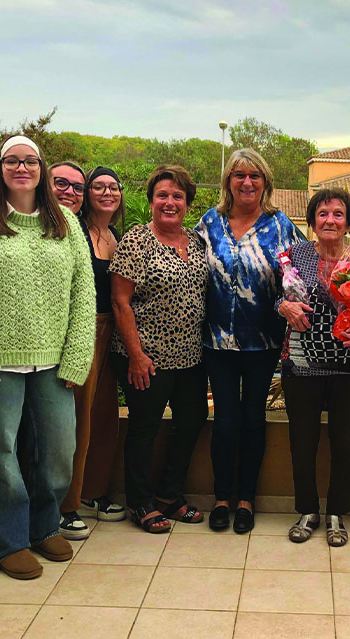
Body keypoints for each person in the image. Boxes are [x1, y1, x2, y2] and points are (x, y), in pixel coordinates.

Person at [0, 135, 95, 580]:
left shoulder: (65, 225)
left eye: (29, 160)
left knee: (58, 451)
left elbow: (83, 294)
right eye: (11, 160)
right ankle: (8, 541)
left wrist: (76, 357)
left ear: (40, 167)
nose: (21, 167)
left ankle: (43, 524)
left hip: (54, 363)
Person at [197, 149, 299, 533]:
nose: (247, 182)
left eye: (255, 175)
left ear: (265, 182)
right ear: (228, 181)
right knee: (224, 422)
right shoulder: (210, 223)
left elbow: (301, 273)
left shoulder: (280, 225)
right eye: (239, 175)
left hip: (263, 342)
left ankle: (246, 500)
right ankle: (221, 497)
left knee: (254, 420)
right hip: (217, 343)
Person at [109, 165, 208, 534]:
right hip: (145, 356)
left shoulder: (196, 242)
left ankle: (170, 495)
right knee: (144, 427)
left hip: (190, 356)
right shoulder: (137, 240)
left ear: (187, 203)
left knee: (191, 421)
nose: (170, 202)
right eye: (162, 195)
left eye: (177, 196)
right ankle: (141, 502)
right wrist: (136, 355)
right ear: (151, 201)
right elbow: (121, 302)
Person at [278, 188, 350, 547]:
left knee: (345, 441)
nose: (330, 220)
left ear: (348, 220)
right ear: (312, 220)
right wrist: (282, 307)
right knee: (301, 441)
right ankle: (307, 510)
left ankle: (336, 512)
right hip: (301, 364)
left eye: (337, 213)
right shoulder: (294, 255)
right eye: (323, 214)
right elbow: (279, 295)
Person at [58, 166, 127, 540]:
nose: (106, 193)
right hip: (81, 331)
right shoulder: (73, 231)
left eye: (112, 187)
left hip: (111, 332)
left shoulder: (114, 234)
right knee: (76, 420)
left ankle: (93, 492)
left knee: (104, 417)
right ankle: (65, 505)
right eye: (97, 186)